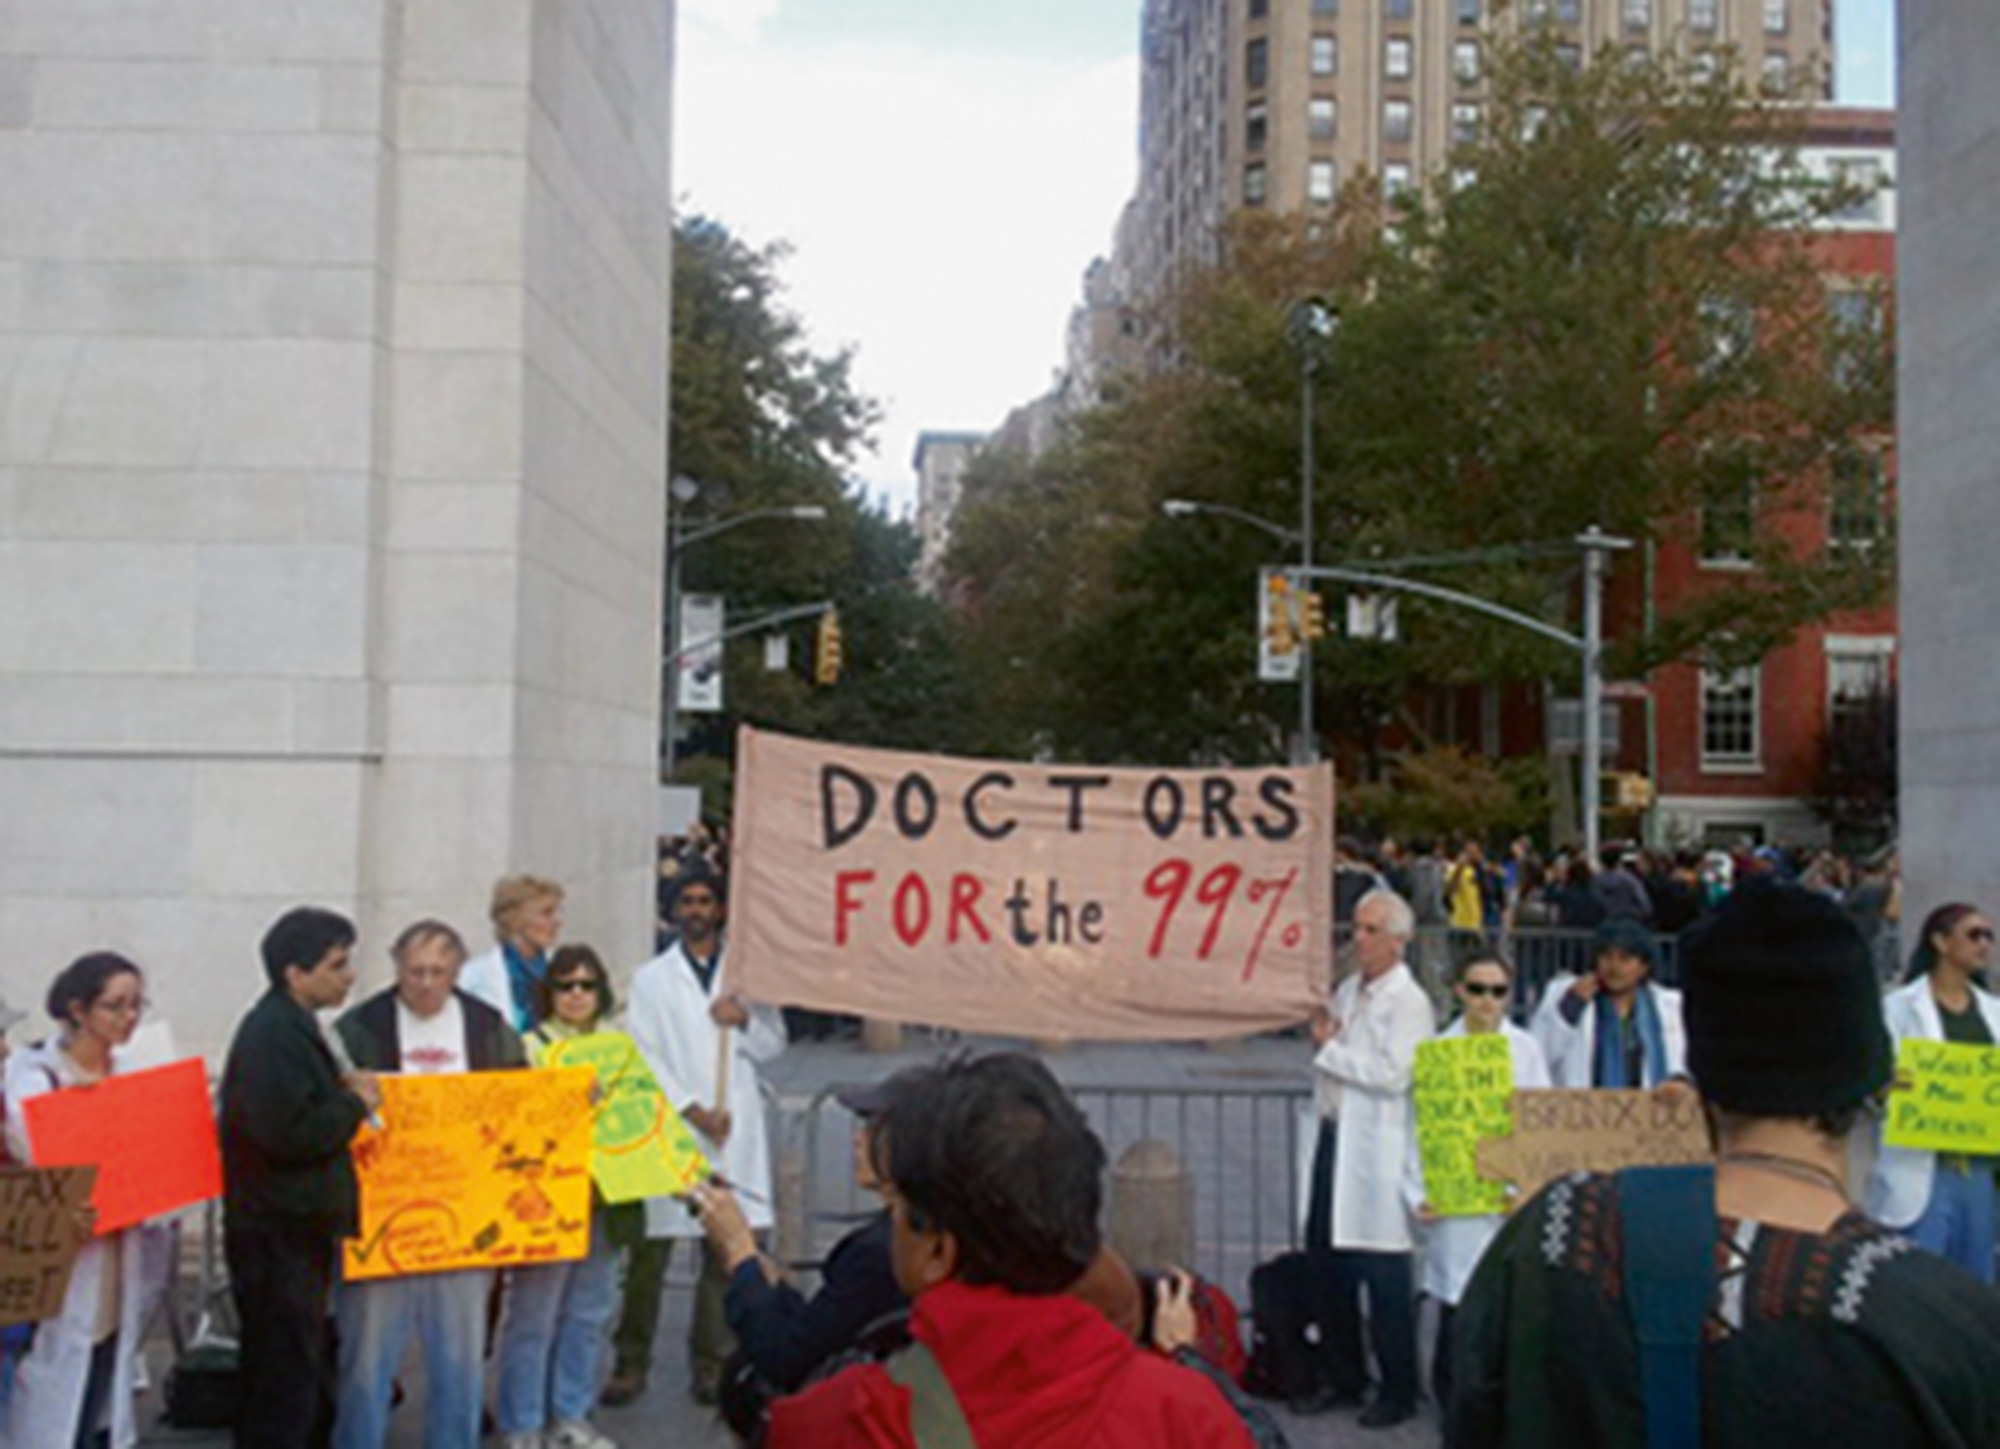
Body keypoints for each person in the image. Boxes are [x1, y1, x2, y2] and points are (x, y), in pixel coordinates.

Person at [1448, 882, 2000, 1448]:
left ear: (1700, 1071)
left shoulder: (1554, 1238)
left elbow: (1472, 1407)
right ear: (1874, 1078)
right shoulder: (1946, 1327)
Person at [766, 1053, 1254, 1448]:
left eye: (898, 1209)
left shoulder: (835, 1423)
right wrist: (1187, 1363)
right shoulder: (1188, 1416)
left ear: (936, 1250)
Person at [332, 920, 526, 1449]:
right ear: (396, 967)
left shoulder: (487, 1027)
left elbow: (522, 1100)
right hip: (382, 1218)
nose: (424, 983)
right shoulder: (360, 1028)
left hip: (464, 1219)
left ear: (457, 972)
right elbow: (330, 1101)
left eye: (437, 972)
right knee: (366, 1357)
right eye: (414, 971)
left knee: (460, 1360)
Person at [609, 861, 785, 1406]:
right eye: (686, 902)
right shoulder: (651, 979)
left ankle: (711, 1363)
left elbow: (775, 1044)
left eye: (705, 901)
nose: (696, 911)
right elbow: (644, 1054)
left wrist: (745, 1022)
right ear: (673, 911)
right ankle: (630, 1361)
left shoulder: (748, 975)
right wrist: (689, 1108)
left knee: (722, 1252)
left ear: (721, 909)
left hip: (735, 1128)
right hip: (675, 1125)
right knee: (651, 1255)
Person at [219, 908, 381, 1449]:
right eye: (336, 965)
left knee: (293, 1364)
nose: (348, 975)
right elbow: (288, 1134)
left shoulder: (292, 1023)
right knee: (282, 1372)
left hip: (291, 1225)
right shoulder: (272, 1032)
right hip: (276, 1230)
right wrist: (352, 1104)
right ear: (295, 973)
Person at [0, 954, 173, 1449]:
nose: (128, 1018)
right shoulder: (34, 1073)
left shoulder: (136, 1069)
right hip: (60, 1265)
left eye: (137, 1005)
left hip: (124, 1256)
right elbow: (39, 1149)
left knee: (103, 1380)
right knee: (48, 1397)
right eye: (114, 1006)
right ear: (78, 1009)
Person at [1297, 888, 1434, 1429]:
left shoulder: (1410, 1002)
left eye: (1370, 930)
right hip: (1333, 1134)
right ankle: (1343, 1375)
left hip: (1376, 1149)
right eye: (1356, 927)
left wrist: (1329, 1050)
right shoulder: (1350, 989)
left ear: (1397, 942)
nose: (1358, 939)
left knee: (1383, 1275)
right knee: (1325, 1261)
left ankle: (1399, 1387)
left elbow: (1394, 1074)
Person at [493, 945, 637, 1449]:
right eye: (566, 985)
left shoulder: (620, 1045)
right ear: (548, 993)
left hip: (604, 1196)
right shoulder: (527, 1047)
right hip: (549, 1202)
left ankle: (571, 1414)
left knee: (589, 1312)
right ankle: (522, 1421)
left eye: (586, 985)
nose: (576, 995)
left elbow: (644, 1119)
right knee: (534, 1315)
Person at [694, 1077, 909, 1403]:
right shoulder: (911, 1229)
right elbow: (823, 1324)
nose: (857, 1138)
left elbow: (786, 1358)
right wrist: (764, 1278)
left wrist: (739, 1251)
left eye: (874, 1129)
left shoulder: (882, 1250)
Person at [1403, 956, 1548, 1413]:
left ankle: (1497, 1405)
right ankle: (1450, 1403)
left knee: (1503, 1309)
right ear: (1460, 991)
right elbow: (1417, 1130)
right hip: (1455, 1206)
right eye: (1478, 989)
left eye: (1499, 991)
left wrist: (1526, 1188)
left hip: (1505, 1202)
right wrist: (1418, 1194)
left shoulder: (1526, 1050)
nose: (1488, 1001)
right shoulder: (1436, 1053)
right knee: (1454, 1308)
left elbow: (1539, 1125)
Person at [1866, 901, 2000, 1282]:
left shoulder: (1995, 1013)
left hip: (1982, 1169)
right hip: (1920, 1167)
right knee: (1920, 1285)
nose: (1984, 945)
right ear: (1940, 941)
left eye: (1989, 936)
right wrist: (1883, 1087)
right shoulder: (1897, 1009)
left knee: (1978, 1284)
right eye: (1974, 935)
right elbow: (1870, 1082)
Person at [1536, 918, 1685, 1090]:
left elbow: (1685, 1061)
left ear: (1644, 967)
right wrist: (1569, 1009)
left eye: (1625, 959)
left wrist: (1680, 1081)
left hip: (1650, 1111)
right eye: (1606, 957)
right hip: (1582, 1110)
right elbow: (1539, 1054)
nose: (1614, 967)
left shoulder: (1669, 1005)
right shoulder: (1565, 993)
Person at [460, 875, 566, 1034]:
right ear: (515, 919)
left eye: (557, 912)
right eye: (546, 913)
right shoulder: (473, 975)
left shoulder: (563, 969)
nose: (557, 921)